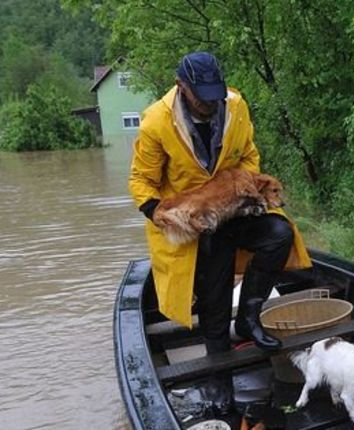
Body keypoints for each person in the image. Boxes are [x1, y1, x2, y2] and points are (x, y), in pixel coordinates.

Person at [128, 51, 311, 415]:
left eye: (215, 94)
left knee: (279, 233)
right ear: (182, 87)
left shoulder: (236, 106)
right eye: (202, 96)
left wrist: (238, 188)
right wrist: (159, 212)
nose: (211, 103)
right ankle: (218, 380)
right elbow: (141, 180)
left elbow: (249, 156)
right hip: (195, 225)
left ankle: (248, 315)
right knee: (213, 293)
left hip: (236, 208)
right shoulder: (156, 122)